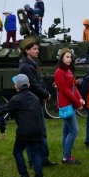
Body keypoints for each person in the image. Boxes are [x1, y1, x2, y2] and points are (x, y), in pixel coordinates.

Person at [0, 74, 45, 177]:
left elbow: (2, 110)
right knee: (37, 155)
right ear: (28, 85)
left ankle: (24, 176)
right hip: (37, 130)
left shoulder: (16, 99)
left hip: (24, 132)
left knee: (17, 151)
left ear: (16, 87)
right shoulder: (35, 97)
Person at [18, 37, 57, 167]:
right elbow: (33, 85)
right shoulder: (26, 66)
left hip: (36, 101)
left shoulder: (32, 64)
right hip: (31, 104)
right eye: (34, 49)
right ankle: (35, 161)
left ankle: (42, 159)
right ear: (27, 51)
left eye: (37, 49)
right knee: (34, 133)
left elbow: (38, 81)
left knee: (40, 132)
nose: (37, 51)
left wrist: (44, 93)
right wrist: (45, 93)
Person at [54, 49, 85, 165]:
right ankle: (66, 157)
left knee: (66, 131)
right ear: (61, 58)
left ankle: (66, 155)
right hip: (66, 104)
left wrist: (80, 97)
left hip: (70, 103)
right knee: (74, 130)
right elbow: (65, 91)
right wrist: (78, 103)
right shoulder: (59, 72)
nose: (69, 59)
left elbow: (73, 87)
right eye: (67, 57)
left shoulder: (68, 71)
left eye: (70, 57)